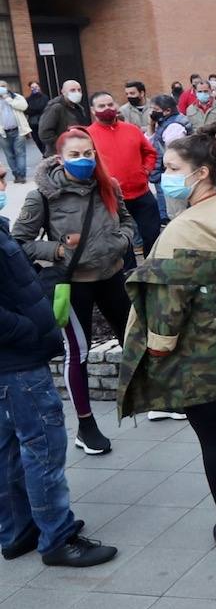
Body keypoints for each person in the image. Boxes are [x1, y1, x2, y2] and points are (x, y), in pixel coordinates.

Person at [118, 124, 216, 552]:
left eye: (172, 168)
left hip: (204, 361)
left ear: (202, 172)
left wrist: (157, 347)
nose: (163, 176)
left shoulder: (179, 234)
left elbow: (167, 310)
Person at [0, 166, 119, 568]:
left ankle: (19, 531)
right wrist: (30, 328)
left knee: (10, 450)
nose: (4, 183)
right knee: (42, 450)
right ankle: (57, 537)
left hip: (12, 363)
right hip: (17, 364)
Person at [12, 126, 137, 457]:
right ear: (59, 157)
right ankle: (86, 424)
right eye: (74, 155)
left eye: (88, 153)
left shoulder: (107, 185)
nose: (83, 160)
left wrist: (121, 240)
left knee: (134, 338)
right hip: (73, 284)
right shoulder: (43, 195)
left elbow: (127, 221)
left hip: (110, 276)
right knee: (77, 353)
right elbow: (19, 242)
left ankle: (151, 399)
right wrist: (57, 250)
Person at [85, 91, 162, 258]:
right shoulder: (88, 135)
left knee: (153, 235)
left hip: (141, 192)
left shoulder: (132, 130)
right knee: (121, 242)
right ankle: (127, 276)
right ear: (93, 110)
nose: (107, 108)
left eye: (110, 104)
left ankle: (152, 270)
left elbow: (150, 153)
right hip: (111, 197)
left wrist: (146, 171)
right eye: (102, 106)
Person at [147, 95, 192, 221]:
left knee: (174, 210)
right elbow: (150, 143)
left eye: (154, 109)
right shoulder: (162, 122)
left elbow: (174, 153)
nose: (151, 112)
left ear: (167, 111)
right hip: (162, 171)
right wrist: (150, 125)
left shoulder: (174, 126)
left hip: (170, 173)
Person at [38, 80, 89, 154]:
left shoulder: (79, 108)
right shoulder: (56, 108)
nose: (77, 93)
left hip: (78, 151)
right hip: (60, 154)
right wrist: (63, 145)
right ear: (63, 91)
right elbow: (45, 134)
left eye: (79, 90)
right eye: (72, 90)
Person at [185, 79, 216, 153]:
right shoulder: (190, 110)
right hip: (200, 149)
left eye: (205, 91)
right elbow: (190, 131)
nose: (203, 93)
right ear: (195, 92)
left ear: (210, 91)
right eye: (200, 92)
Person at [0, 80, 31, 183]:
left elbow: (24, 107)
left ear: (7, 87)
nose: (2, 88)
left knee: (20, 153)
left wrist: (8, 99)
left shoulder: (16, 97)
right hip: (3, 133)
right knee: (9, 155)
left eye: (3, 86)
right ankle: (16, 175)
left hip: (18, 130)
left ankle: (22, 176)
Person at [25, 81, 49, 156]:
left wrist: (33, 109)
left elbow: (44, 107)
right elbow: (27, 110)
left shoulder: (45, 97)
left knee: (44, 139)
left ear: (39, 87)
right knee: (37, 140)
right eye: (32, 87)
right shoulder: (28, 99)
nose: (34, 88)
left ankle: (46, 154)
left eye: (36, 87)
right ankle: (43, 153)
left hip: (44, 121)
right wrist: (36, 109)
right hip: (33, 123)